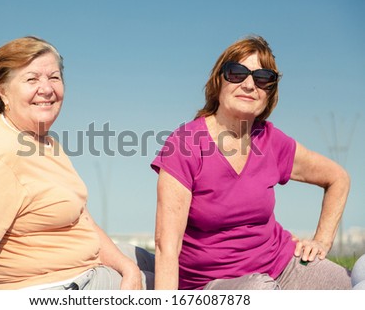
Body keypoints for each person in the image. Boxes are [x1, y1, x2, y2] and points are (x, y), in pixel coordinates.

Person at [0, 36, 154, 290]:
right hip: (54, 286)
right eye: (31, 79)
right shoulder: (1, 154)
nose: (46, 89)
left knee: (166, 262)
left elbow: (81, 218)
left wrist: (128, 269)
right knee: (177, 283)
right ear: (3, 93)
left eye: (54, 77)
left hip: (80, 263)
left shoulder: (44, 142)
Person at [151, 35, 356, 290]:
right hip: (211, 284)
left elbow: (338, 178)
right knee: (261, 292)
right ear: (219, 82)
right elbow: (166, 248)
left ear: (269, 93)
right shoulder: (184, 144)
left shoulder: (272, 140)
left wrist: (321, 242)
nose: (249, 85)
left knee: (351, 286)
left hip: (281, 264)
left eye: (262, 78)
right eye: (236, 73)